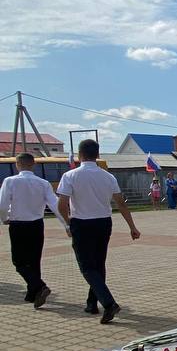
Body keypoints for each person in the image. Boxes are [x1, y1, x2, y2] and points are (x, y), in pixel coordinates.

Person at [56, 138, 141, 323]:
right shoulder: (108, 177)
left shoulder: (70, 176)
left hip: (81, 223)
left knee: (86, 266)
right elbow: (121, 203)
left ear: (79, 155)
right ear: (97, 155)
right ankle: (91, 303)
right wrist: (132, 227)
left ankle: (109, 303)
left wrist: (67, 223)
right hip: (103, 223)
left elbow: (61, 204)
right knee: (98, 263)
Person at [0, 152, 66, 308]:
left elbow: (2, 205)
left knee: (19, 262)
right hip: (37, 225)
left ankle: (40, 286)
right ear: (33, 164)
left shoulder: (10, 181)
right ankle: (33, 294)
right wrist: (66, 224)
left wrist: (4, 219)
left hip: (18, 225)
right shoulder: (43, 183)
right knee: (34, 260)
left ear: (17, 164)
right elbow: (55, 205)